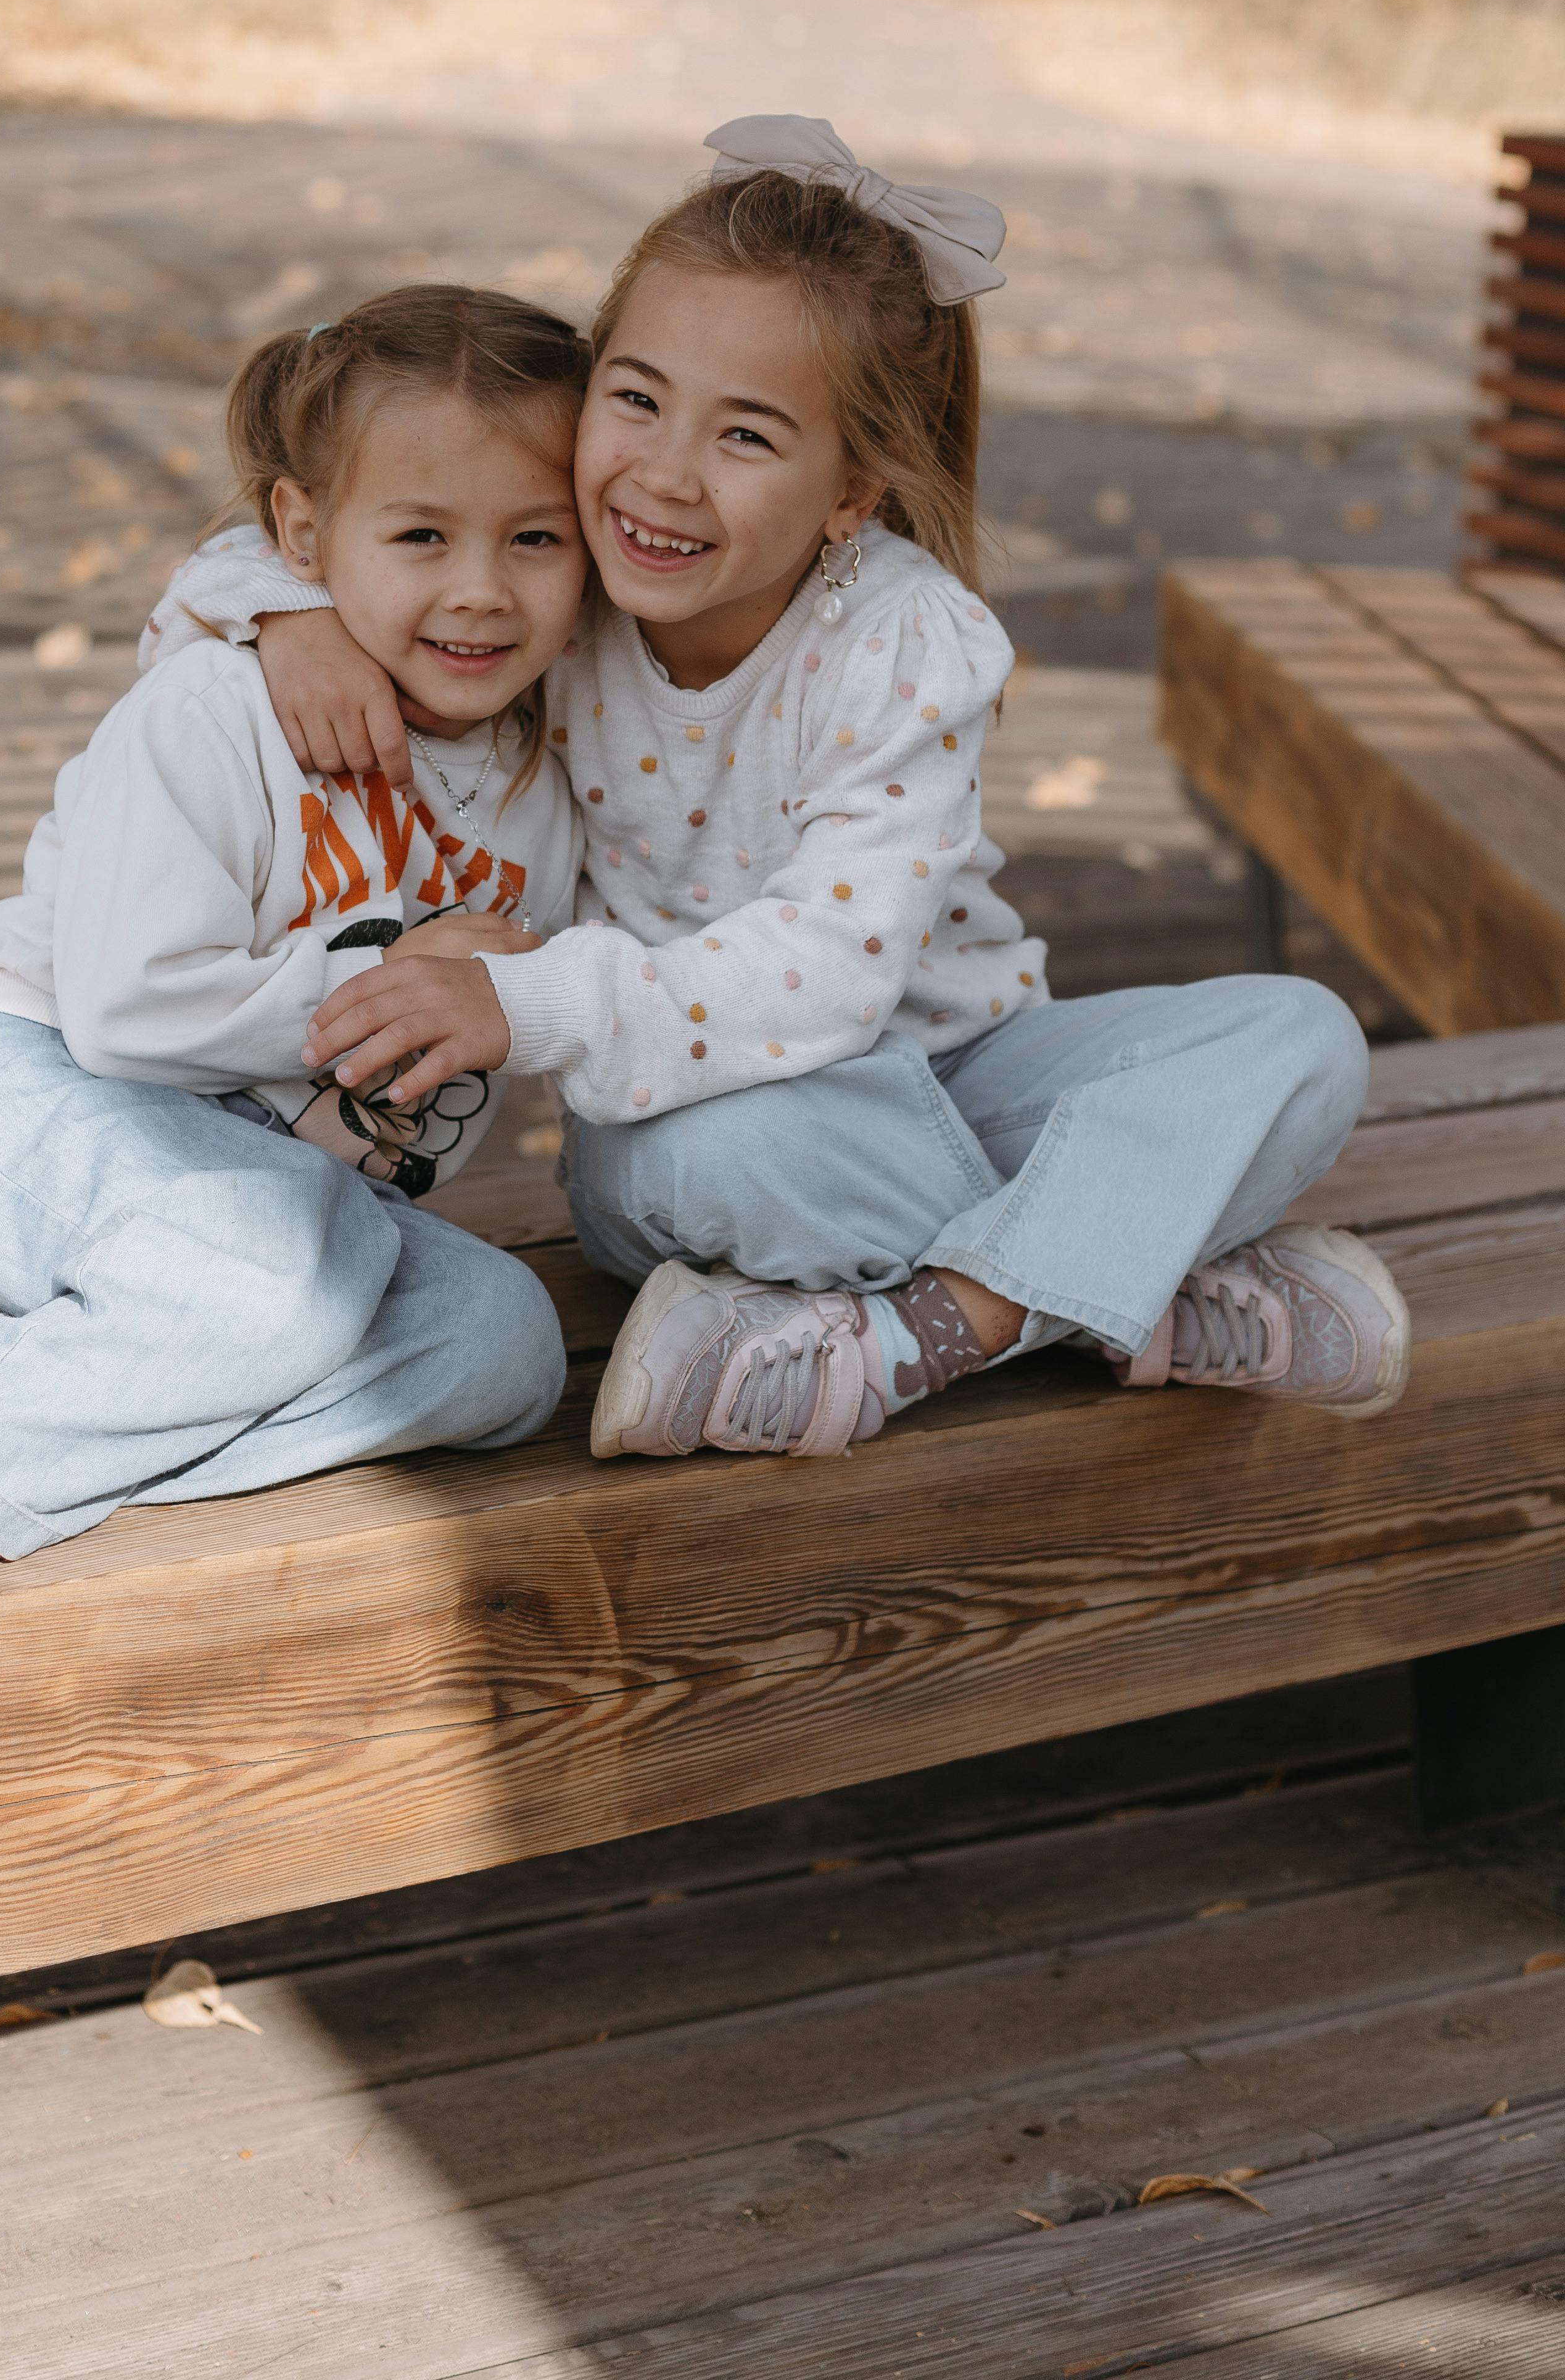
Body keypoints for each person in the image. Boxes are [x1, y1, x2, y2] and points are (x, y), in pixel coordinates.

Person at [151, 115, 1401, 1466]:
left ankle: (924, 1334)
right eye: (635, 399)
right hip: (721, 1119)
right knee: (694, 1163)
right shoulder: (549, 589)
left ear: (853, 486)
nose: (666, 475)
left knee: (1303, 1039)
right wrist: (292, 614)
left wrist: (521, 1001)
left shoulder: (906, 645)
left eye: (747, 436)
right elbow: (260, 556)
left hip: (965, 1073)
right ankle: (1132, 1278)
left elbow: (828, 977)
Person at [0, 284, 587, 1708]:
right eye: (421, 537)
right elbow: (130, 1009)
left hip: (269, 1210)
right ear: (302, 537)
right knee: (277, 1272)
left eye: (536, 539)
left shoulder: (541, 795)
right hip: (35, 1099)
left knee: (505, 1350)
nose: (481, 589)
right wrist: (405, 984)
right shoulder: (221, 710)